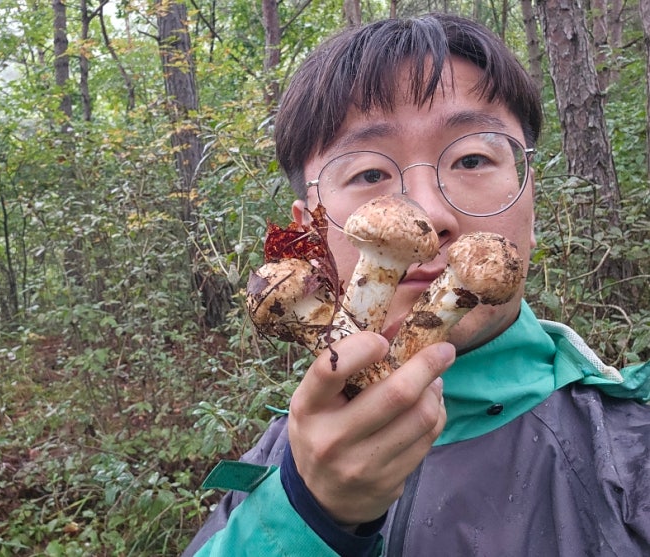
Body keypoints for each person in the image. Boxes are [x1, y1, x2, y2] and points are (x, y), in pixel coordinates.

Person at [184, 13, 650, 556]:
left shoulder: (631, 457)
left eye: (472, 158)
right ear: (310, 234)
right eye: (368, 174)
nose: (429, 214)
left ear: (532, 201)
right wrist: (307, 515)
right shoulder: (272, 465)